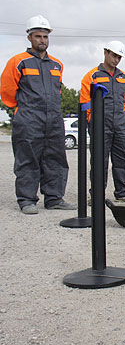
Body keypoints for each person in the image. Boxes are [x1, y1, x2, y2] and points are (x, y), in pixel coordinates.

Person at [1, 15, 74, 214]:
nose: (42, 40)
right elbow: (7, 91)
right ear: (29, 38)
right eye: (38, 36)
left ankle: (54, 198)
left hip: (53, 118)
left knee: (56, 159)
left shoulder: (56, 65)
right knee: (28, 158)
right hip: (28, 118)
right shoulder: (18, 62)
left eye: (45, 36)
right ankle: (26, 200)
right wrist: (21, 111)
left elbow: (57, 91)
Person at [80, 40, 125, 202]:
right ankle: (97, 195)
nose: (116, 60)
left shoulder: (124, 77)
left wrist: (118, 116)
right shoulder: (93, 76)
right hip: (100, 124)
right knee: (99, 160)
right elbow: (85, 102)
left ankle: (122, 193)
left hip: (119, 123)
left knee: (121, 159)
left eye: (119, 57)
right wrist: (93, 120)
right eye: (114, 55)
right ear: (105, 52)